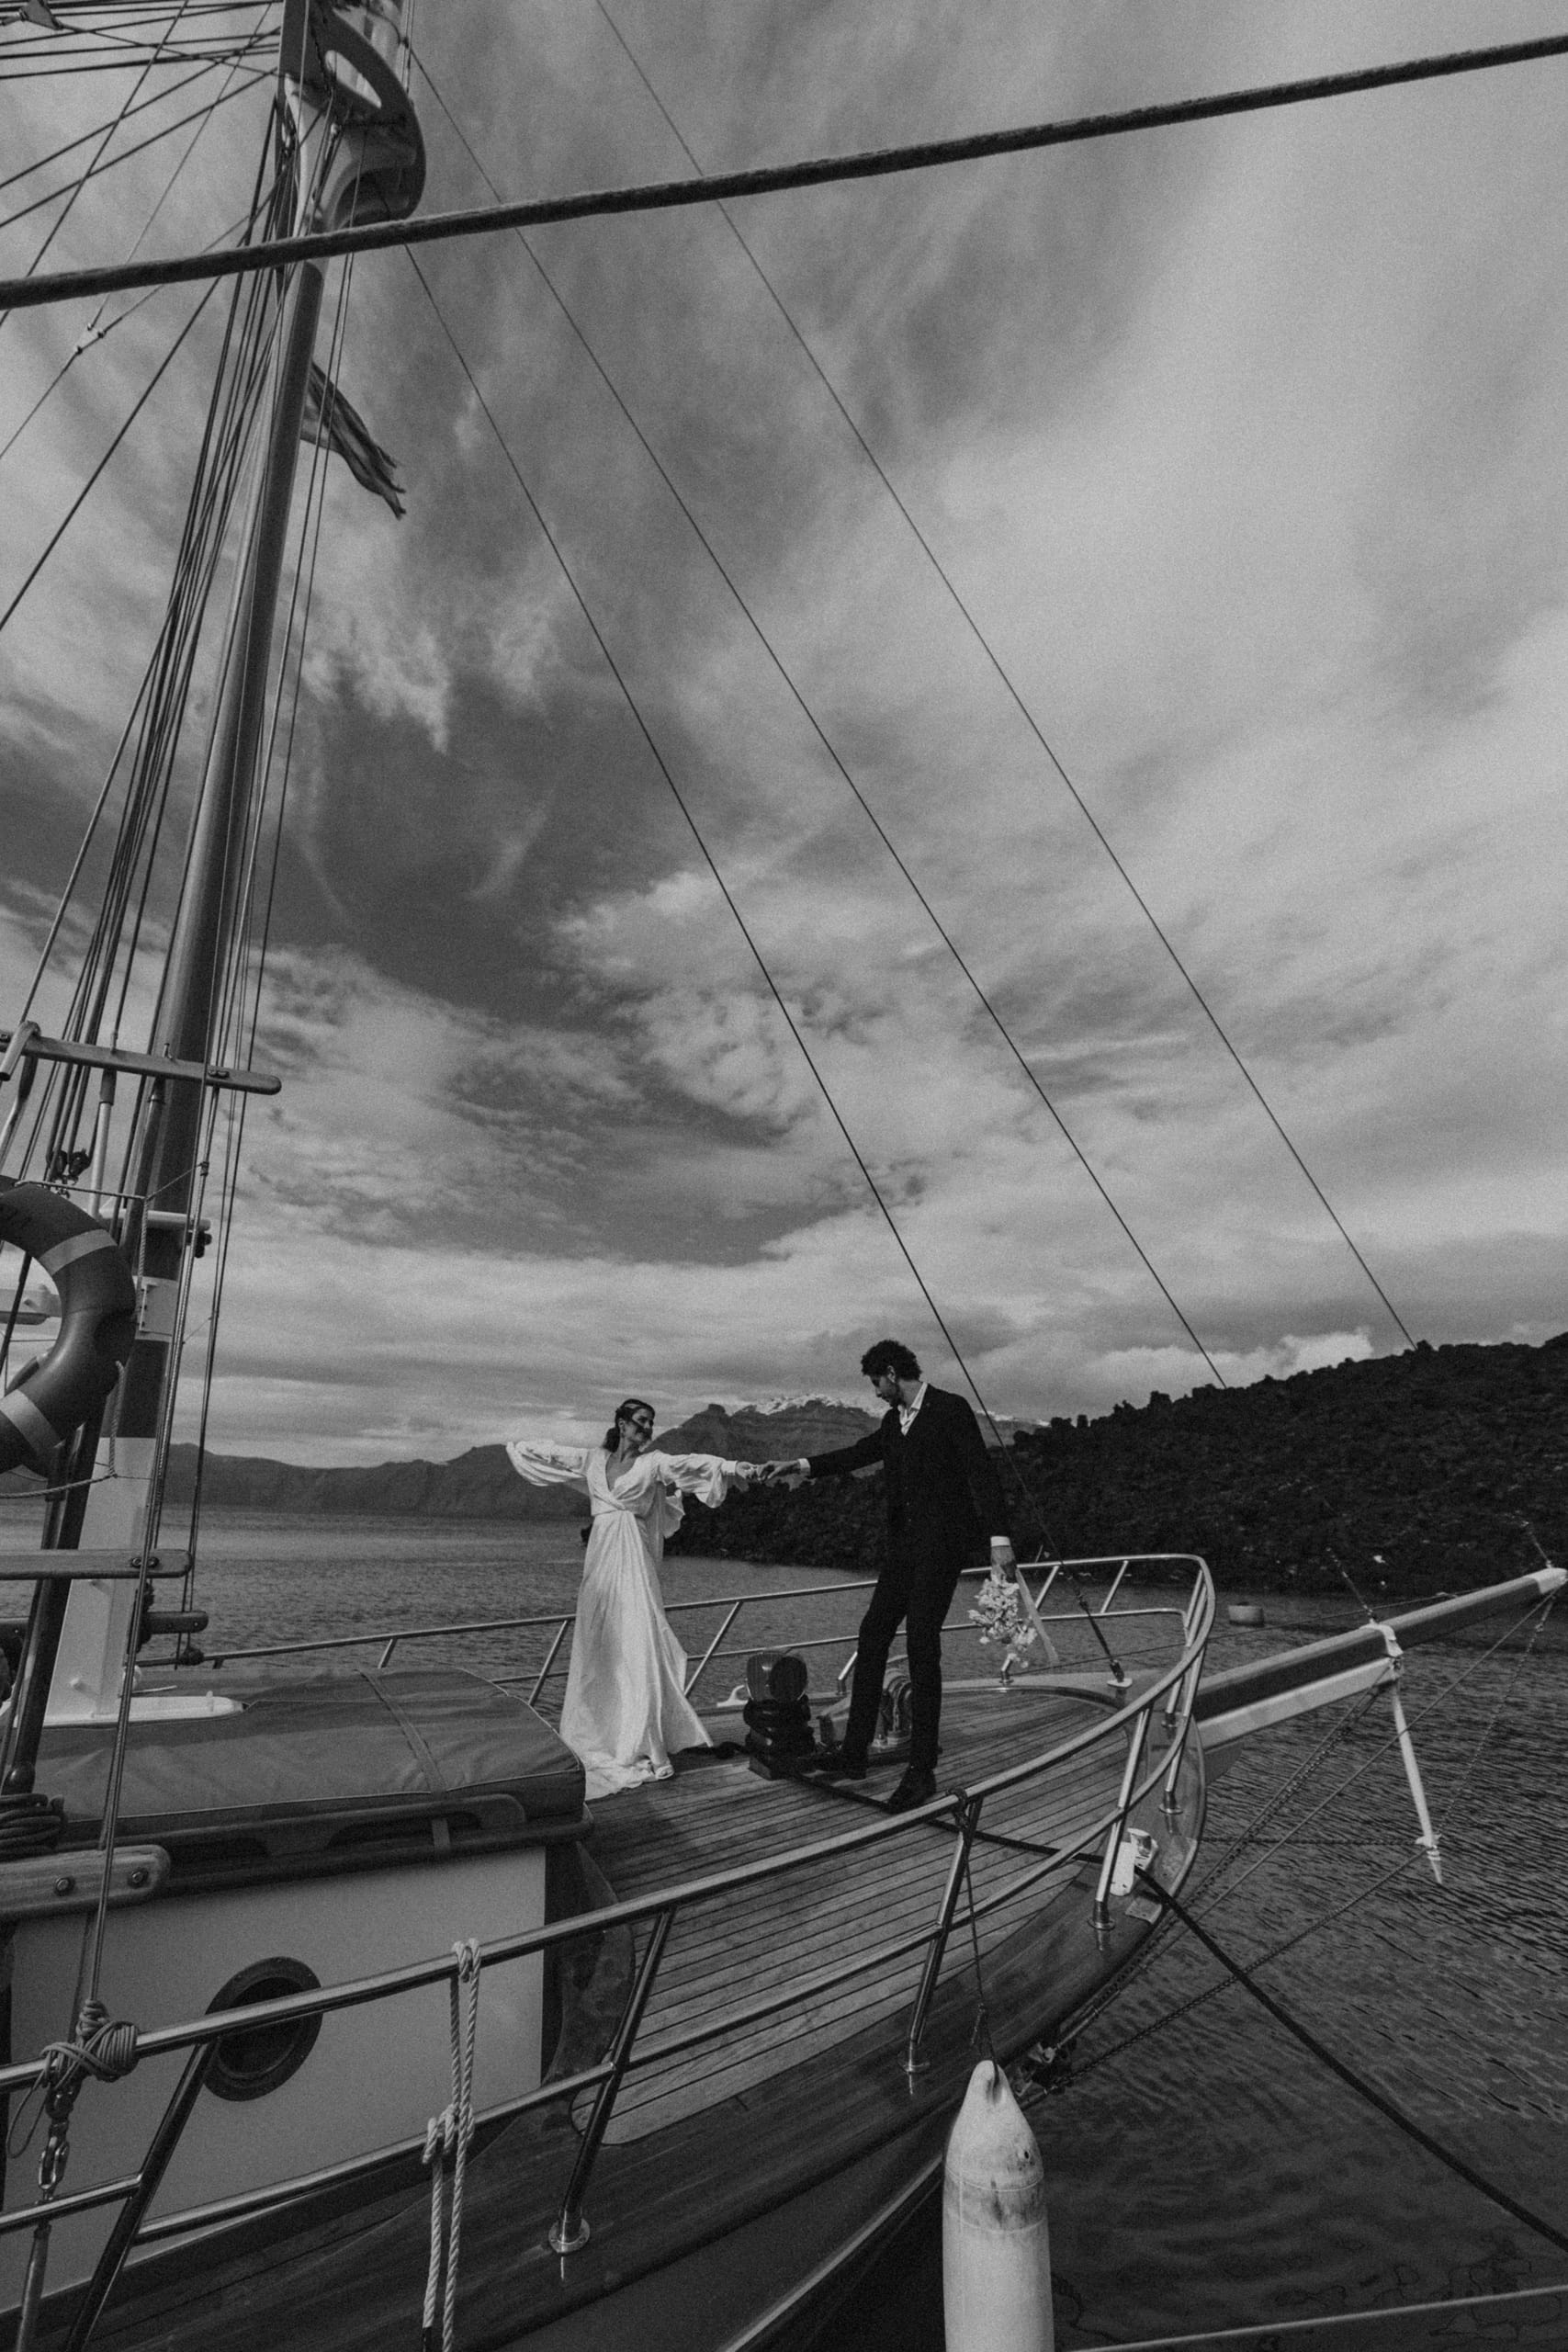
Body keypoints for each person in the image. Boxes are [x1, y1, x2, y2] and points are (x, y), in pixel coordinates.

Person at [765, 1340, 1014, 1812]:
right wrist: (800, 1466)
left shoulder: (949, 1409)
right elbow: (858, 1454)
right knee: (873, 1635)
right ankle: (854, 1753)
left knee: (922, 1645)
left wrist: (999, 1539)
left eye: (877, 1383)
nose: (876, 1393)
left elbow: (982, 1473)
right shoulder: (892, 1423)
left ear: (894, 1373)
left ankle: (921, 1770)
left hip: (942, 1549)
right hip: (903, 1552)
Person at [507, 1399, 761, 1800]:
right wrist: (519, 1446)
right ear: (622, 1425)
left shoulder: (653, 1463)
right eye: (641, 1422)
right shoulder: (593, 1460)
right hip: (600, 1565)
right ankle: (601, 1735)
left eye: (650, 1424)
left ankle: (640, 1739)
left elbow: (692, 1464)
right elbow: (553, 1453)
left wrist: (732, 1468)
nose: (647, 1429)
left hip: (633, 1561)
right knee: (597, 1648)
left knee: (638, 1643)